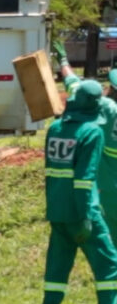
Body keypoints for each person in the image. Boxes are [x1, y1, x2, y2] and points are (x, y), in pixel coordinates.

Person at [33, 79, 117, 304]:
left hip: (58, 211)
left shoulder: (55, 128)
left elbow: (50, 174)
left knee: (57, 271)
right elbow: (84, 178)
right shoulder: (92, 133)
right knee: (109, 266)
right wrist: (85, 217)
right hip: (83, 213)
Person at [53, 39, 117, 224]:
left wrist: (63, 60)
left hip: (106, 188)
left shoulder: (105, 108)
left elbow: (74, 85)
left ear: (111, 89)